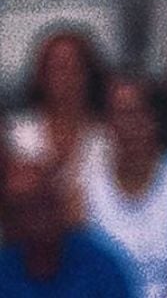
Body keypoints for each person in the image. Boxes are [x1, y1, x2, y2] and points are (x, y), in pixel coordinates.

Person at [81, 75, 167, 298]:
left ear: (156, 119)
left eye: (138, 113)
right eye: (120, 115)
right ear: (107, 124)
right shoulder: (86, 185)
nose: (130, 125)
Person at [0, 117, 136, 296]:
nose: (41, 219)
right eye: (26, 209)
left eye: (47, 205)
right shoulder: (4, 271)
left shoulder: (99, 268)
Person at [20, 29, 109, 224]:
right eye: (57, 68)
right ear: (41, 76)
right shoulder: (18, 137)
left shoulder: (108, 138)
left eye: (75, 68)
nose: (66, 77)